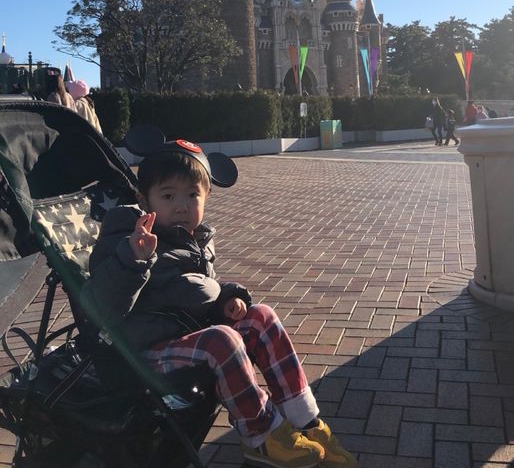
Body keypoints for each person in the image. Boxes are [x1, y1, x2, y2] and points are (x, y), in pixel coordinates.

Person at [82, 127, 357, 468]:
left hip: (187, 338)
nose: (181, 206)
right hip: (140, 352)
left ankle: (306, 423)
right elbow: (101, 306)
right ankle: (260, 437)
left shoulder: (195, 238)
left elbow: (200, 286)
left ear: (207, 197)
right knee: (221, 340)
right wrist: (133, 259)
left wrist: (227, 296)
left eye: (192, 196)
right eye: (168, 197)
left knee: (261, 317)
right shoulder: (127, 236)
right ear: (144, 200)